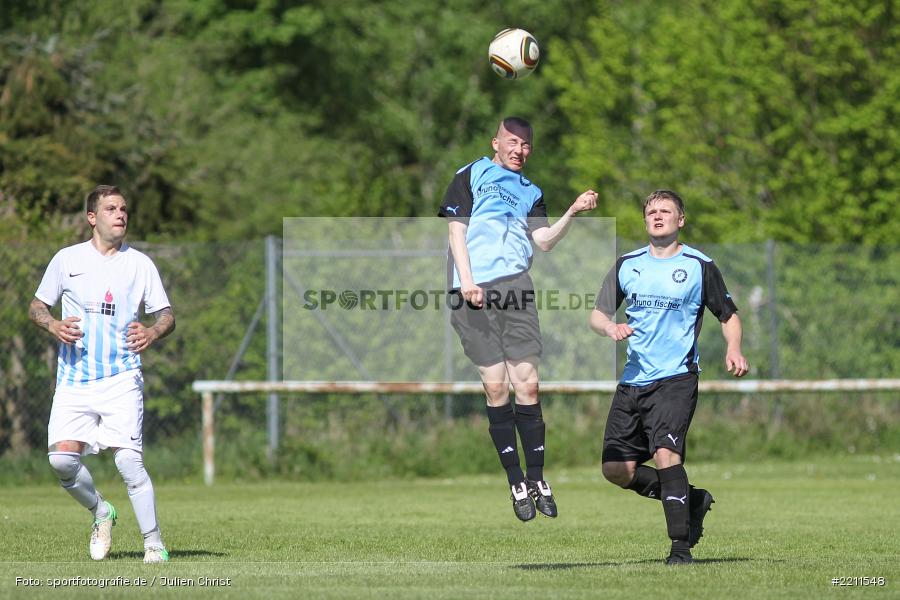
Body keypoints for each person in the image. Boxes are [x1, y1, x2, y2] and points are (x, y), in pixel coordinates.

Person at [438, 116, 597, 521]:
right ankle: (515, 481)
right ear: (496, 142)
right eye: (512, 142)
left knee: (528, 382)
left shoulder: (532, 192)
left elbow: (542, 241)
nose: (519, 150)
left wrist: (573, 211)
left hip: (516, 288)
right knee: (496, 389)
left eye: (526, 144)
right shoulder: (472, 174)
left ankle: (537, 477)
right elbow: (457, 230)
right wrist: (468, 282)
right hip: (473, 292)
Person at [590, 189, 749, 564]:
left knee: (666, 453)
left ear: (680, 221)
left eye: (665, 211)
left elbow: (728, 314)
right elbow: (596, 314)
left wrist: (733, 348)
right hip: (633, 380)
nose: (657, 216)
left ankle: (680, 548)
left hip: (676, 378)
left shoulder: (699, 264)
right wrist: (609, 328)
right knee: (615, 469)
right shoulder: (627, 264)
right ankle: (692, 499)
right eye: (651, 212)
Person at [29, 185, 176, 563]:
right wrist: (53, 325)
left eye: (124, 208)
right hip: (75, 379)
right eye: (111, 208)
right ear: (92, 218)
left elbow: (166, 315)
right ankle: (101, 511)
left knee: (128, 460)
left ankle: (154, 544)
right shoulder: (67, 259)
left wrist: (153, 331)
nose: (121, 214)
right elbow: (36, 307)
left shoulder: (140, 264)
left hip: (121, 377)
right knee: (61, 461)